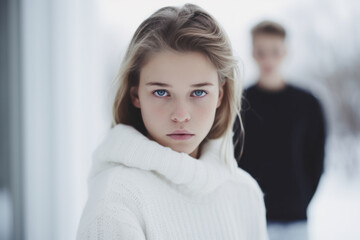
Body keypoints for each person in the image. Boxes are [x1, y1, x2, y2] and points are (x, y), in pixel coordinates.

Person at [76, 4, 268, 240]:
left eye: (198, 93)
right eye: (161, 93)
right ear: (136, 95)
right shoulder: (115, 200)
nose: (180, 115)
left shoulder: (244, 193)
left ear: (220, 94)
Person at [233, 20, 327, 240]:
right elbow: (231, 158)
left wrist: (302, 200)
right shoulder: (239, 102)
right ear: (253, 54)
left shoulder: (308, 103)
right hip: (250, 218)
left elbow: (317, 159)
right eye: (261, 52)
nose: (268, 59)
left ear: (285, 53)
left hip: (295, 220)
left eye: (275, 52)